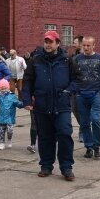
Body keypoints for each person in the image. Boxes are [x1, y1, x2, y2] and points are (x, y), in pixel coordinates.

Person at [22, 29, 80, 181]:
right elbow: (27, 80)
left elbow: (77, 79)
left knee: (65, 134)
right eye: (45, 41)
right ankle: (46, 166)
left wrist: (68, 91)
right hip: (42, 105)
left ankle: (66, 167)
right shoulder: (36, 60)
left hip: (62, 105)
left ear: (58, 43)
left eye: (50, 42)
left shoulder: (67, 60)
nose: (47, 44)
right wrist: (27, 100)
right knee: (45, 137)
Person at [72, 36, 100, 159]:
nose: (86, 48)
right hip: (81, 95)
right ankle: (88, 147)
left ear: (94, 46)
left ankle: (96, 146)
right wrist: (76, 91)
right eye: (84, 45)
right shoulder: (77, 59)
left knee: (96, 120)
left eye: (88, 45)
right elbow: (73, 77)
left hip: (95, 94)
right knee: (84, 122)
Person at [0, 78, 24, 150]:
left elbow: (17, 103)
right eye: (2, 89)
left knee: (10, 130)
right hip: (1, 116)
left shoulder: (12, 96)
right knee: (1, 131)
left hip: (9, 117)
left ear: (8, 87)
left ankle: (9, 139)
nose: (3, 90)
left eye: (5, 88)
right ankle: (2, 143)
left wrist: (24, 104)